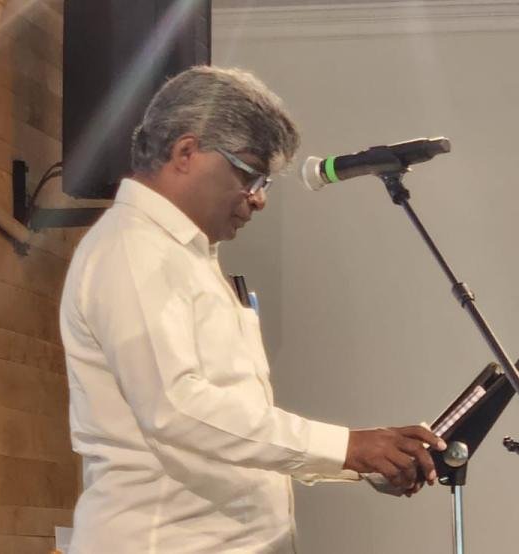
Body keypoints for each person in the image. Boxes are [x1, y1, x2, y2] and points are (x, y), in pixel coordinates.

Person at [59, 65, 445, 553]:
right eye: (249, 174)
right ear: (185, 152)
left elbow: (231, 426)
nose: (258, 199)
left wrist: (362, 460)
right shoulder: (133, 249)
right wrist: (347, 447)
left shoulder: (182, 255)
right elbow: (176, 408)